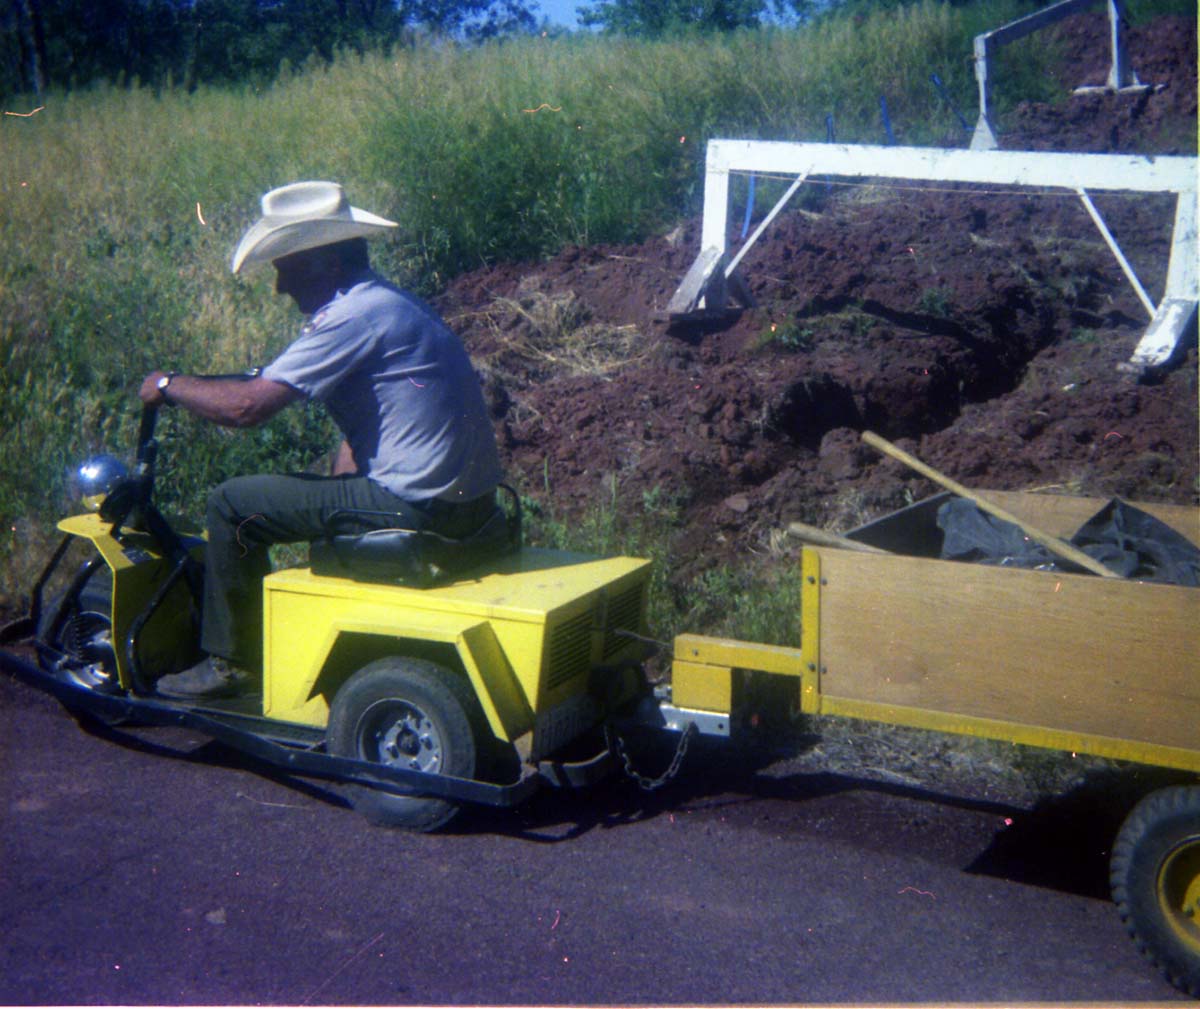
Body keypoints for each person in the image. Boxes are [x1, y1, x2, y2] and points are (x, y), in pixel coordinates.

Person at [140, 181, 503, 699]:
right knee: (318, 492)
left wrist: (167, 385)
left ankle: (232, 662)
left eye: (286, 269)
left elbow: (246, 408)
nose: (280, 287)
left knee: (231, 505)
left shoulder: (351, 317)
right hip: (465, 506)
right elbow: (370, 427)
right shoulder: (390, 302)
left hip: (419, 506)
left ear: (328, 264)